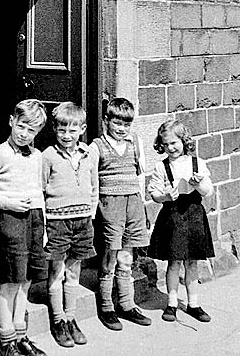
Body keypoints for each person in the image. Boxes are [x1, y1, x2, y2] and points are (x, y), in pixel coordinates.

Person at [0, 99, 48, 356]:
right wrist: (9, 203)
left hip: (34, 222)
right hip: (10, 223)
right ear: (11, 121)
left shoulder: (36, 156)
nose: (25, 134)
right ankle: (7, 341)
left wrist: (43, 227)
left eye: (32, 130)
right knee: (10, 283)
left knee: (26, 281)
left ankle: (21, 334)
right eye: (22, 126)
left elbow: (39, 192)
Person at [90, 97, 151, 331]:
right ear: (106, 121)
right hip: (110, 204)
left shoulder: (135, 142)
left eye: (126, 124)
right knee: (110, 256)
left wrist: (143, 204)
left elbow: (140, 175)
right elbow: (92, 180)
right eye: (117, 123)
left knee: (127, 256)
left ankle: (127, 304)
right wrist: (95, 209)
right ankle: (106, 306)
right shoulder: (97, 146)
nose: (121, 129)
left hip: (133, 203)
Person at [42, 102, 98, 348]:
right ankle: (58, 320)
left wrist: (91, 213)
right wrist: (44, 225)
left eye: (72, 131)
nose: (67, 136)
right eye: (62, 130)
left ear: (82, 129)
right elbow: (40, 190)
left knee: (74, 270)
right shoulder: (48, 156)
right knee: (57, 271)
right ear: (55, 129)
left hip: (83, 220)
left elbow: (94, 186)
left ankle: (71, 317)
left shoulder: (88, 155)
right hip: (56, 222)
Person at [147, 120, 214, 323]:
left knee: (191, 261)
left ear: (184, 141)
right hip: (173, 217)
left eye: (174, 142)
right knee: (174, 261)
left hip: (194, 215)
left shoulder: (197, 163)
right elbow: (154, 193)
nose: (171, 148)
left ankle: (193, 303)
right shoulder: (161, 166)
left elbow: (208, 192)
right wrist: (165, 196)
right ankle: (172, 303)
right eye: (166, 144)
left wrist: (199, 184)